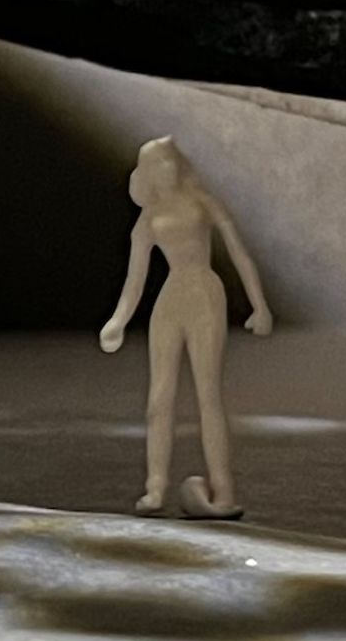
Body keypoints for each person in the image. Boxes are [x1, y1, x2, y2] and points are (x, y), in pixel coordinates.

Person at [97, 138, 272, 517]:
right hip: (171, 298)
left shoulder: (203, 202)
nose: (167, 170)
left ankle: (223, 491)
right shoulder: (148, 220)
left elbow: (238, 252)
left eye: (170, 162)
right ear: (147, 173)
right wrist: (118, 320)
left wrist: (259, 305)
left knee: (209, 395)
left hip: (205, 296)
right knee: (159, 397)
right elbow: (135, 279)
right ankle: (155, 488)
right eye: (158, 164)